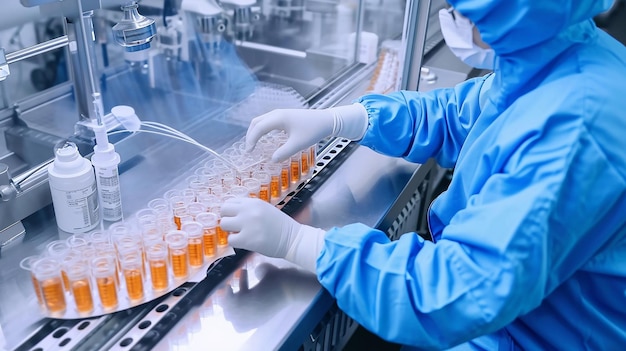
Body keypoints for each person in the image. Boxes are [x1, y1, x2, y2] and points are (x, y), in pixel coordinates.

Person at [220, 0, 626, 349]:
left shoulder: (575, 129)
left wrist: (299, 243)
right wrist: (346, 119)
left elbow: (457, 291)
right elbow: (459, 112)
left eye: (459, 10)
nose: (449, 17)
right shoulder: (555, 53)